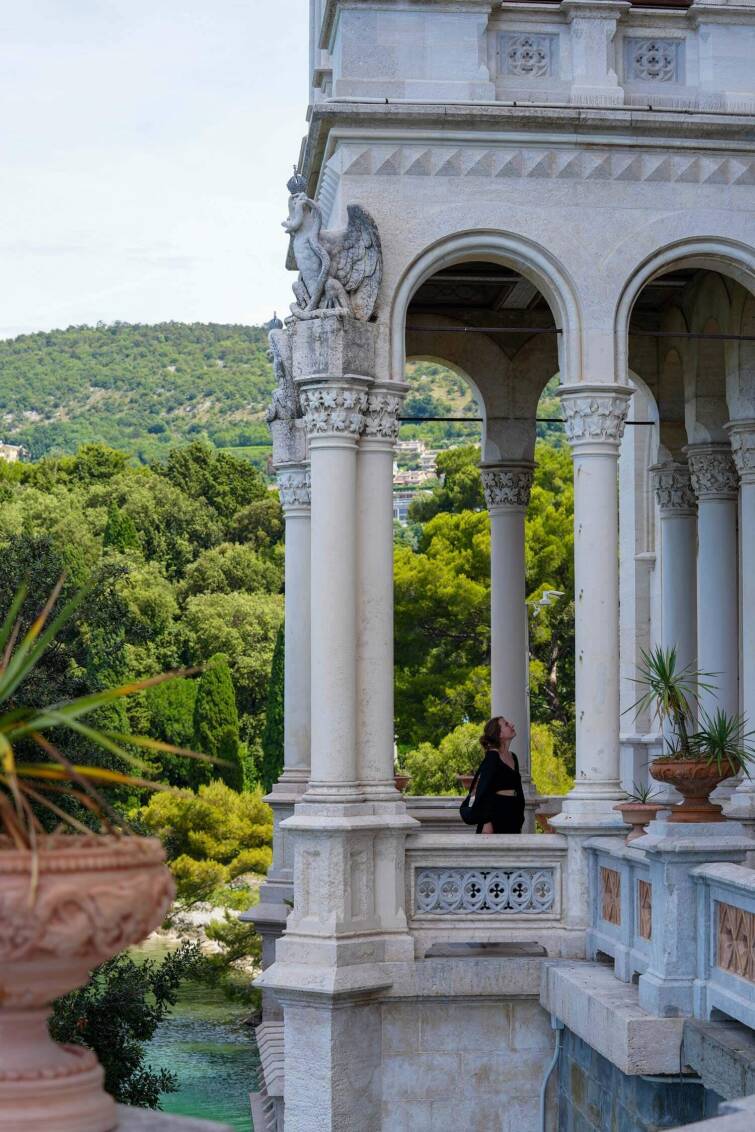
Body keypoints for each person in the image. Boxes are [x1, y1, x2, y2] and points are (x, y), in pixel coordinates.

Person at [473, 716, 525, 835]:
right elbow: (482, 791)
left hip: (513, 814)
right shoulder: (492, 757)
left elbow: (518, 788)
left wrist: (520, 817)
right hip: (496, 814)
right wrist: (486, 823)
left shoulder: (513, 757)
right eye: (506, 724)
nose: (512, 725)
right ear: (499, 734)